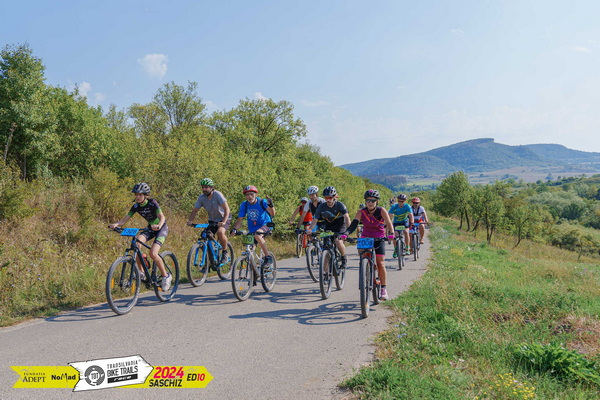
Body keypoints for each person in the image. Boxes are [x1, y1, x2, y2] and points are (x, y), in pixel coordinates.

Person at [109, 182, 172, 291]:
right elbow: (124, 220)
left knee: (153, 253)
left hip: (161, 228)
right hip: (150, 228)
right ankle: (142, 272)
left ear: (145, 195)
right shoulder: (136, 206)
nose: (137, 197)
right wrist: (116, 224)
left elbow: (162, 217)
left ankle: (166, 276)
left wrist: (158, 225)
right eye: (136, 194)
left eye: (140, 194)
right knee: (136, 244)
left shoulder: (152, 203)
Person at [346, 189, 394, 300]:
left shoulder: (381, 211)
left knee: (380, 263)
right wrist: (346, 233)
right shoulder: (361, 212)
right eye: (368, 200)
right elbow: (354, 224)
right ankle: (367, 272)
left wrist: (391, 234)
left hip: (379, 238)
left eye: (373, 200)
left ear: (377, 201)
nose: (370, 203)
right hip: (365, 238)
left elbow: (388, 223)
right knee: (364, 259)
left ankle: (383, 289)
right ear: (365, 201)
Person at [186, 178, 232, 264]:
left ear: (211, 188)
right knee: (206, 235)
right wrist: (190, 221)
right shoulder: (201, 198)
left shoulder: (217, 195)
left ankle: (225, 252)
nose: (204, 189)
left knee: (220, 232)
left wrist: (224, 222)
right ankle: (209, 262)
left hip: (224, 217)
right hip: (213, 220)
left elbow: (227, 209)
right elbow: (195, 210)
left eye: (206, 187)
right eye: (203, 187)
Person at [230, 185, 276, 269]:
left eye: (252, 194)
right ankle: (254, 273)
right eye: (247, 195)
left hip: (265, 225)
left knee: (257, 235)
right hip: (253, 229)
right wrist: (234, 229)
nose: (250, 196)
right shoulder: (244, 205)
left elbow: (272, 213)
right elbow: (239, 220)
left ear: (256, 195)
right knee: (250, 250)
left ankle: (268, 257)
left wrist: (271, 206)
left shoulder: (262, 202)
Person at [306, 186, 351, 268]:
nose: (328, 200)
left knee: (338, 242)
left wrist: (348, 231)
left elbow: (347, 218)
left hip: (340, 227)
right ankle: (325, 273)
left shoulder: (340, 205)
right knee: (325, 249)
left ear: (334, 197)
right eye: (326, 198)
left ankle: (344, 258)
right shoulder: (322, 206)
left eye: (330, 197)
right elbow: (315, 220)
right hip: (328, 228)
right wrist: (310, 229)